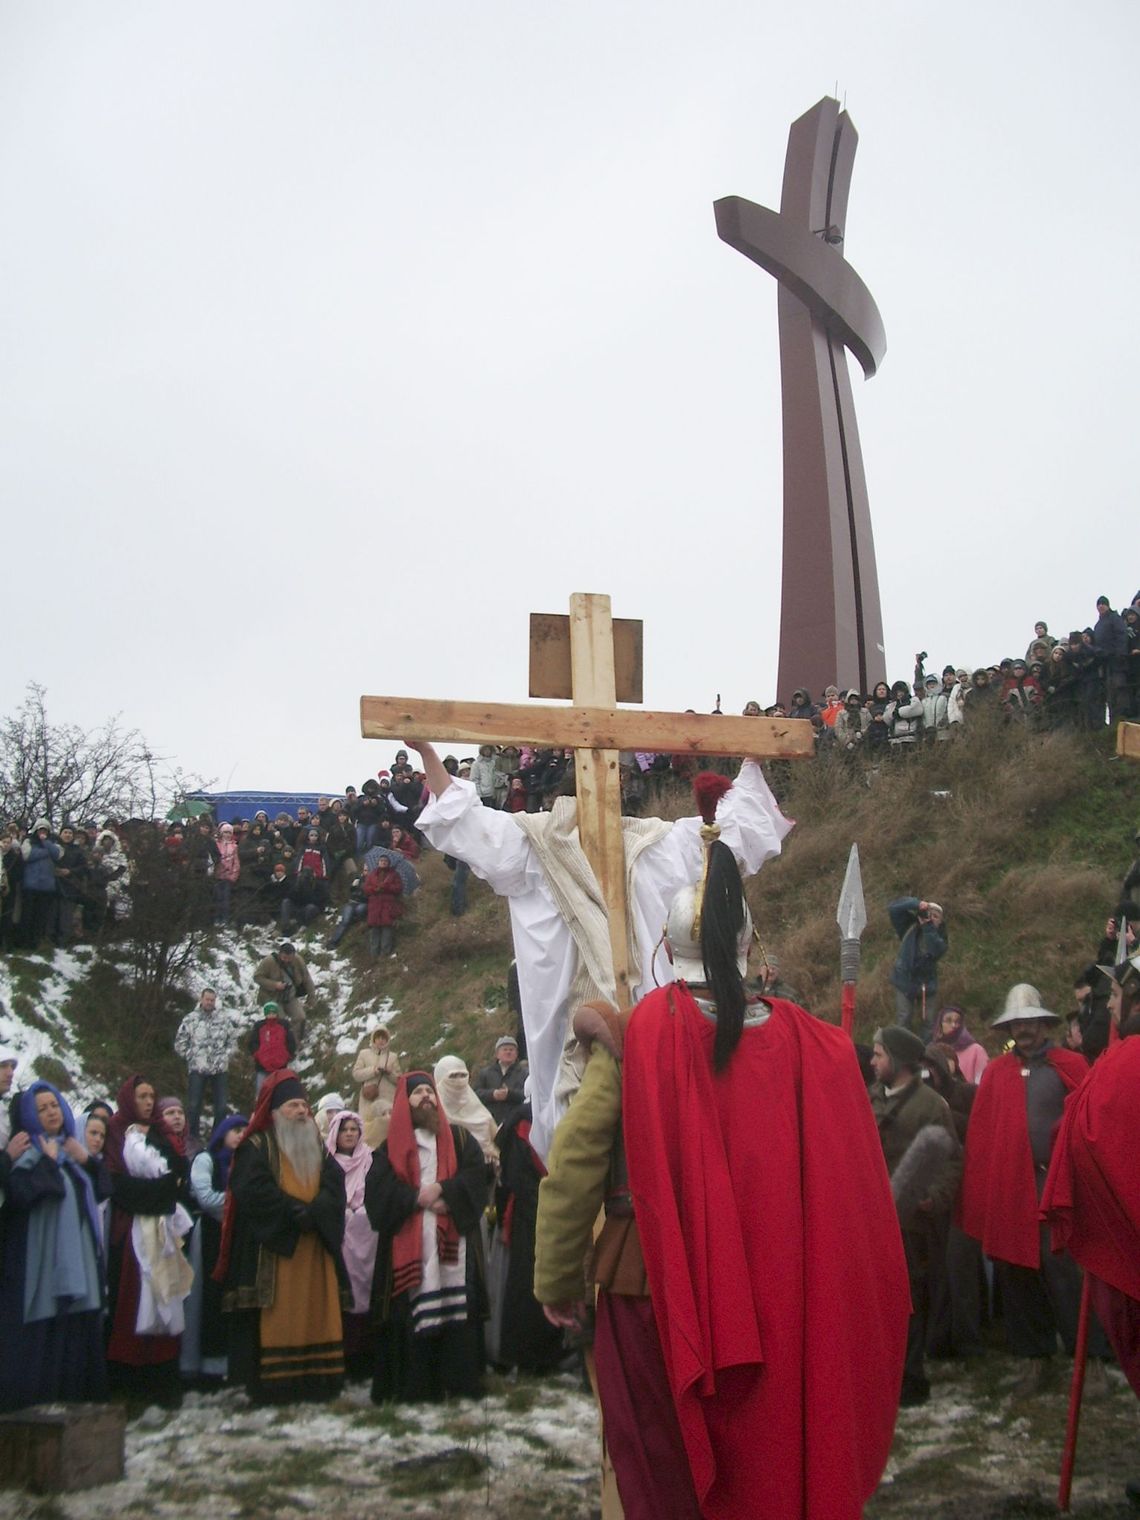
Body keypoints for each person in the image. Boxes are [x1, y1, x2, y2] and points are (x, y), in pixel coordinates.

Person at [534, 844, 910, 1520]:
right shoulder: (807, 1044)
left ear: (669, 948)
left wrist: (557, 1281)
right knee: (762, 1461)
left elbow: (575, 1165)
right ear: (748, 947)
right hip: (777, 1292)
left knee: (660, 1467)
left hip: (652, 1286)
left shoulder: (635, 1038)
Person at [408, 740, 792, 1157]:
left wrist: (753, 755)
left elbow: (721, 842)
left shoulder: (652, 843)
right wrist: (428, 755)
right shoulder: (538, 845)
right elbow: (468, 825)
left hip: (650, 1032)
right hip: (589, 1029)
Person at [957, 983, 1107, 1396]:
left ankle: (1091, 1357)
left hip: (1054, 1187)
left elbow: (1089, 1120)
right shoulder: (998, 1073)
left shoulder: (1070, 1065)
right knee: (1017, 1272)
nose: (1024, 1030)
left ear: (1043, 1024)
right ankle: (1033, 1356)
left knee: (1066, 1273)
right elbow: (985, 1137)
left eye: (1030, 1022)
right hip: (1011, 1190)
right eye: (1017, 1023)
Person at [218, 1071, 348, 1404]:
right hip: (275, 1248)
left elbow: (334, 1183)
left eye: (304, 1105)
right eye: (293, 1105)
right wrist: (293, 1212)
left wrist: (316, 1211)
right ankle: (275, 1387)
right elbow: (251, 1189)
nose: (303, 1111)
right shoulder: (256, 1146)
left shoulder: (318, 1145)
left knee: (317, 1311)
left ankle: (320, 1380)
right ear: (275, 1111)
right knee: (277, 1315)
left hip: (314, 1245)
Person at [365, 1072, 490, 1404]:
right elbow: (377, 1194)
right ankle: (416, 1386)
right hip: (409, 1248)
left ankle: (460, 1380)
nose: (426, 1098)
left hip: (453, 1245)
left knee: (458, 1310)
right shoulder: (389, 1148)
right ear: (405, 1102)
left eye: (429, 1092)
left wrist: (444, 1191)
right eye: (418, 1092)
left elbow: (478, 1177)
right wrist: (415, 1199)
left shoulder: (461, 1140)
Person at [0, 1082, 110, 1412]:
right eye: (42, 1108)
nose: (51, 1112)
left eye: (54, 1105)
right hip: (42, 1267)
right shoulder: (28, 1154)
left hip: (79, 1265)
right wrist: (48, 1163)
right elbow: (24, 1194)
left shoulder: (70, 1151)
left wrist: (87, 1161)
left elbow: (103, 1189)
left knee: (76, 1334)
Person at [869, 1026, 962, 1407]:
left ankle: (909, 1376)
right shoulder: (867, 1098)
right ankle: (879, 1370)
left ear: (898, 1061)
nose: (872, 1061)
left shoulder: (931, 1105)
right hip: (873, 1222)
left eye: (878, 1054)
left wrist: (933, 1197)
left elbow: (951, 1161)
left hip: (911, 1223)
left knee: (911, 1300)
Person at [104, 1074, 192, 1405]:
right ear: (129, 1098)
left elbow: (177, 1173)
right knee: (132, 1298)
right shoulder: (116, 1130)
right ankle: (129, 1378)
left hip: (162, 1227)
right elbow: (116, 1182)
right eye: (142, 1095)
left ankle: (162, 1377)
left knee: (164, 1295)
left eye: (152, 1095)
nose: (148, 1102)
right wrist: (158, 1192)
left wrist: (162, 1192)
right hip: (132, 1230)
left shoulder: (161, 1132)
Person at [185, 1114, 247, 1386]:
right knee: (208, 1297)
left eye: (245, 1130)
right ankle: (207, 1366)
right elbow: (206, 1197)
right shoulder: (206, 1160)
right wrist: (240, 1201)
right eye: (235, 1129)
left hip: (237, 1235)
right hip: (211, 1234)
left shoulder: (246, 1162)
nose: (240, 1135)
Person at [326, 1110, 378, 1379]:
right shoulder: (326, 1163)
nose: (349, 1134)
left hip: (366, 1233)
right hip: (338, 1234)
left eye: (353, 1130)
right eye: (344, 1129)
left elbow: (374, 1190)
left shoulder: (369, 1159)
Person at [175, 987, 238, 1140]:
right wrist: (191, 1056)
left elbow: (233, 1041)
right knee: (193, 1106)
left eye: (212, 1000)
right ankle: (192, 1138)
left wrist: (225, 1055)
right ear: (201, 999)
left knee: (222, 1107)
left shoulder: (223, 1019)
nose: (209, 1002)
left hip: (220, 1069)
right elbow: (180, 1042)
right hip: (198, 1068)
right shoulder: (191, 1019)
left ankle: (217, 1138)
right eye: (207, 999)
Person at [888, 897, 948, 1031]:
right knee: (904, 1018)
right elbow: (893, 908)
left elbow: (934, 949)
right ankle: (902, 1049)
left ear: (941, 921)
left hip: (927, 984)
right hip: (904, 980)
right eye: (929, 914)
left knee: (929, 1022)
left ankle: (926, 1050)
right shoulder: (909, 928)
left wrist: (928, 927)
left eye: (936, 916)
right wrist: (917, 904)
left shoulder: (941, 938)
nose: (931, 918)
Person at [433, 1055, 499, 1162]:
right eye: (453, 1076)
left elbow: (497, 1141)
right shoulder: (434, 1111)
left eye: (463, 1075)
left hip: (487, 1169)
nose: (459, 1081)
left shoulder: (477, 1106)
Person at [352, 1026, 403, 1149]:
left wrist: (390, 1073)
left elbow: (399, 1080)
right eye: (378, 1038)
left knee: (389, 1130)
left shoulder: (393, 1057)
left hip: (388, 1100)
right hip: (369, 1099)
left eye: (383, 1038)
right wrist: (373, 1071)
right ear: (373, 1039)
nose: (381, 1040)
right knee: (369, 1131)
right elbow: (356, 1074)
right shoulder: (364, 1054)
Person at [253, 942, 315, 1041]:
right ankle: (280, 1044)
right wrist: (274, 985)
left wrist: (311, 997)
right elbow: (257, 977)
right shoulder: (269, 961)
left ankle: (295, 1043)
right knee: (280, 1021)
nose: (286, 960)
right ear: (280, 954)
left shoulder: (298, 961)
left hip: (290, 995)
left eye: (289, 958)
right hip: (272, 996)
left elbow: (306, 978)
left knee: (300, 1017)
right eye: (284, 958)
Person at [473, 1035, 529, 1130]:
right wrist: (492, 1094)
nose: (508, 1052)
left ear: (516, 1054)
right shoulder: (485, 1073)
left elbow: (528, 1095)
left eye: (511, 1050)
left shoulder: (525, 1073)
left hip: (516, 1123)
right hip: (490, 1122)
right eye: (505, 1049)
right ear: (497, 1054)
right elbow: (476, 1094)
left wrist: (510, 1094)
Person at [249, 1000, 298, 1095]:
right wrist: (257, 1055)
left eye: (273, 1013)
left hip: (281, 1065)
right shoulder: (259, 1026)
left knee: (281, 1091)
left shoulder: (284, 1025)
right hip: (262, 1066)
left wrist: (287, 1055)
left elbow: (291, 1042)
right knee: (261, 1092)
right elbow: (252, 1043)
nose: (271, 1015)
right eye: (269, 1013)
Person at [933, 1005, 989, 1084]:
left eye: (957, 1021)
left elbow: (982, 1083)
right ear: (940, 1024)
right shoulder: (933, 1050)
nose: (953, 1025)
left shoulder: (976, 1051)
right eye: (948, 1020)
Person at [363, 852, 404, 957]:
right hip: (374, 906)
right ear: (378, 862)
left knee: (387, 930)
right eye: (381, 861)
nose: (383, 863)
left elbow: (398, 888)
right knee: (374, 931)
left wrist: (386, 887)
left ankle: (384, 955)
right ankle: (373, 955)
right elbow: (366, 888)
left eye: (385, 861)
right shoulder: (372, 874)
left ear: (388, 863)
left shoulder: (394, 875)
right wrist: (375, 889)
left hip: (388, 905)